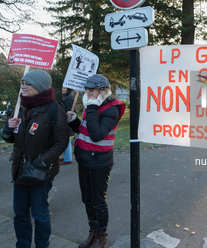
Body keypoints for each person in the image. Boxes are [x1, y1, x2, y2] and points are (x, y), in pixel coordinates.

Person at [1, 70, 69, 247]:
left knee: (39, 213)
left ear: (39, 87)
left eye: (27, 84)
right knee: (20, 213)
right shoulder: (19, 106)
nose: (22, 87)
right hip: (19, 170)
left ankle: (42, 245)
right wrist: (8, 128)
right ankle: (22, 244)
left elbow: (61, 143)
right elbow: (9, 138)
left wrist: (40, 163)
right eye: (22, 83)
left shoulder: (54, 108)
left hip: (41, 172)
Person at [67, 74, 125, 248]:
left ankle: (101, 235)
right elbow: (84, 130)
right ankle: (92, 231)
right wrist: (74, 121)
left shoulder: (111, 109)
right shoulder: (92, 105)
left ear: (102, 90)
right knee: (87, 199)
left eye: (91, 89)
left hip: (100, 162)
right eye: (86, 89)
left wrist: (91, 107)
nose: (87, 92)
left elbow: (96, 135)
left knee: (98, 201)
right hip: (84, 159)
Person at [60, 87, 76, 164]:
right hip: (66, 121)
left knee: (66, 140)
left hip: (68, 122)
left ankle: (67, 158)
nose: (62, 89)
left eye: (64, 88)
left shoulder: (69, 98)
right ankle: (67, 156)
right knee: (66, 139)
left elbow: (69, 111)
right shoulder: (67, 97)